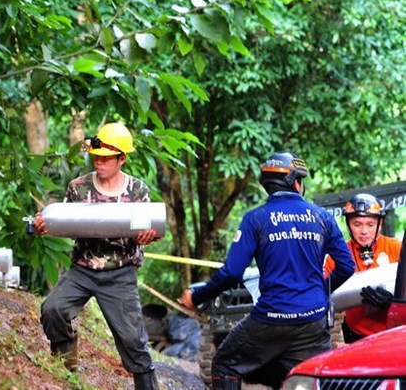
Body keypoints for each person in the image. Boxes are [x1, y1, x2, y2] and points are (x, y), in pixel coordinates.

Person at [179, 151, 354, 390]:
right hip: (313, 319)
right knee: (309, 377)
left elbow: (232, 272)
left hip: (271, 318)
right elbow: (346, 265)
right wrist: (318, 291)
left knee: (224, 364)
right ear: (296, 182)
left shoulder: (255, 219)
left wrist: (197, 296)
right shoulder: (321, 216)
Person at [33, 122, 161, 390]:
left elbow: (145, 230)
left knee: (133, 341)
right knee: (53, 309)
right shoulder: (78, 188)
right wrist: (44, 225)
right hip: (83, 269)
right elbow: (62, 222)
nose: (99, 162)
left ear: (122, 159)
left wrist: (146, 236)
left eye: (106, 158)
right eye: (96, 157)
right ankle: (65, 373)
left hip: (120, 273)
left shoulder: (138, 192)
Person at [323, 193, 402, 343]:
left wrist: (393, 303)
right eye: (357, 224)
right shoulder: (337, 256)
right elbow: (322, 294)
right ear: (348, 224)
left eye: (370, 224)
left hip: (394, 335)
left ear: (380, 223)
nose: (364, 231)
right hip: (357, 338)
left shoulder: (396, 248)